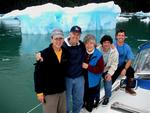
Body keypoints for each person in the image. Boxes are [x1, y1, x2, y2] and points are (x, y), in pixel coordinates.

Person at [34, 29, 68, 113]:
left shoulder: (65, 52)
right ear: (51, 39)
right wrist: (39, 92)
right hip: (49, 93)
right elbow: (37, 74)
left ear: (63, 40)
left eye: (60, 38)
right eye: (56, 39)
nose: (58, 41)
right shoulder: (43, 54)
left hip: (62, 90)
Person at [63, 26, 86, 113]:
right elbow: (51, 50)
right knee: (66, 103)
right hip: (66, 78)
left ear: (80, 36)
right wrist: (40, 53)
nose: (75, 36)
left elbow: (88, 53)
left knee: (79, 100)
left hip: (79, 77)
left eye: (78, 34)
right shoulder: (63, 45)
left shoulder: (81, 45)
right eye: (74, 33)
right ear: (70, 33)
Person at [82, 34, 104, 112]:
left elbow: (100, 70)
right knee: (83, 95)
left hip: (93, 81)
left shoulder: (99, 55)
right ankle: (83, 106)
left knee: (90, 98)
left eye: (91, 43)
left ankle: (88, 109)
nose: (89, 45)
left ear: (94, 44)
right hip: (83, 80)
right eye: (87, 43)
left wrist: (88, 67)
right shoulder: (83, 52)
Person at [97, 35, 119, 106]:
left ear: (111, 43)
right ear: (102, 43)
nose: (106, 44)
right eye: (104, 42)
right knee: (96, 84)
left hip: (107, 69)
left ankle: (107, 97)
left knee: (108, 82)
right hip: (97, 70)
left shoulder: (115, 52)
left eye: (108, 42)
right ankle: (96, 99)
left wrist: (109, 74)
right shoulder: (97, 50)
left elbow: (115, 64)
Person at [113, 29, 136, 95]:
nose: (121, 37)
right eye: (119, 35)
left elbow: (130, 59)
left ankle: (128, 88)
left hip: (121, 65)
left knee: (131, 71)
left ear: (125, 37)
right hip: (112, 66)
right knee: (109, 81)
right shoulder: (112, 45)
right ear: (116, 36)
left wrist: (125, 69)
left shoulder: (127, 47)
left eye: (122, 35)